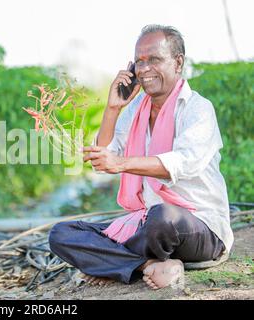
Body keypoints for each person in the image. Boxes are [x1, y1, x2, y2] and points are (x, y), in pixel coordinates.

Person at [48, 24, 234, 290]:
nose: (144, 69)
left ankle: (113, 263)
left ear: (178, 62)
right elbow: (105, 157)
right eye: (139, 62)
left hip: (197, 228)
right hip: (146, 224)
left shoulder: (198, 109)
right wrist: (113, 108)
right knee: (61, 234)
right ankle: (149, 264)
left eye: (154, 60)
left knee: (162, 217)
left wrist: (120, 163)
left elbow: (182, 163)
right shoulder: (135, 108)